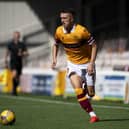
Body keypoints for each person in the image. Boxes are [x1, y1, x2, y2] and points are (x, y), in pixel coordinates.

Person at [51, 8, 99, 123]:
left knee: (91, 94)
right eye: (61, 18)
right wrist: (54, 59)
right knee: (78, 91)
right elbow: (55, 44)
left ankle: (87, 92)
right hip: (72, 65)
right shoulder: (59, 31)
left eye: (65, 18)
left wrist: (91, 63)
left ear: (71, 19)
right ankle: (93, 115)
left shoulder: (81, 31)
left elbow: (94, 45)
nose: (62, 20)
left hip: (87, 64)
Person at [5, 31, 28, 96]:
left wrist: (22, 53)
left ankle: (14, 89)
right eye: (15, 35)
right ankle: (13, 89)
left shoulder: (22, 44)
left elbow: (27, 53)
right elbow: (7, 52)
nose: (17, 37)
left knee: (17, 78)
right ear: (14, 36)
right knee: (14, 75)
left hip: (19, 63)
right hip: (13, 62)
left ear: (19, 36)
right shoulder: (10, 44)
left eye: (18, 36)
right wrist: (6, 61)